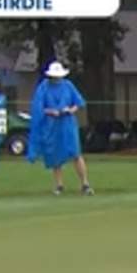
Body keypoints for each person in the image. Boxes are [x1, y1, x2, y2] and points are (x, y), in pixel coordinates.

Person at [28, 60, 93, 196]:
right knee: (54, 154)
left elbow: (78, 102)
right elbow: (38, 108)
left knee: (75, 152)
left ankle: (85, 184)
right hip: (51, 124)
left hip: (67, 123)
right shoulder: (43, 88)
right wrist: (50, 111)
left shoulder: (68, 86)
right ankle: (59, 185)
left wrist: (70, 110)